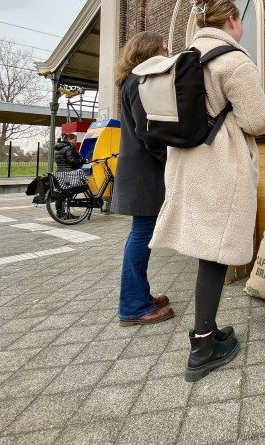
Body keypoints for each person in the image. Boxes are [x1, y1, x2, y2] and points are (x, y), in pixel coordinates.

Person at [149, 0, 265, 382]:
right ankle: (202, 346)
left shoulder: (181, 61)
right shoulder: (233, 61)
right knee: (216, 254)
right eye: (241, 22)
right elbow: (257, 121)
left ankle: (208, 328)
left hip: (186, 164)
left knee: (209, 250)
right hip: (220, 165)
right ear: (231, 21)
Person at [111, 31, 175, 327]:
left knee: (141, 234)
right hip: (145, 172)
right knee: (141, 235)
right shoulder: (139, 82)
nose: (167, 53)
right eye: (164, 48)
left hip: (138, 171)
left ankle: (140, 296)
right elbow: (147, 132)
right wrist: (172, 159)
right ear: (149, 51)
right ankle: (133, 306)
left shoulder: (129, 80)